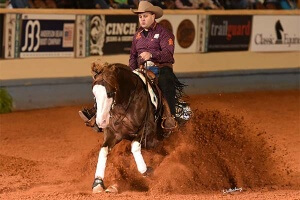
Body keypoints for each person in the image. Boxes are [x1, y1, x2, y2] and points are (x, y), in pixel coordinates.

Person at [129, 1, 178, 131]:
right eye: (140, 17)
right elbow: (133, 56)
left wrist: (151, 54)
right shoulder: (137, 36)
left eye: (145, 16)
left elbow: (168, 55)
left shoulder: (164, 33)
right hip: (142, 70)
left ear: (153, 16)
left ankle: (170, 116)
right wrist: (132, 71)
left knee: (166, 82)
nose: (142, 19)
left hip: (161, 69)